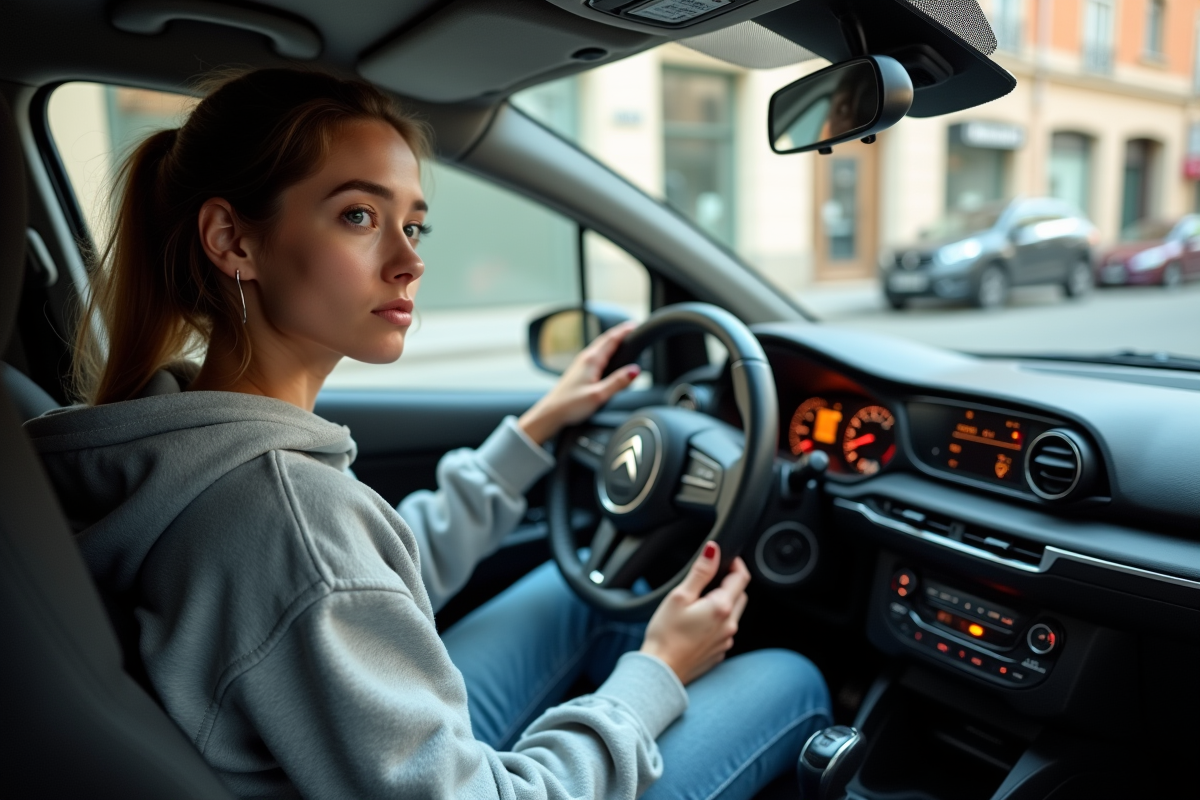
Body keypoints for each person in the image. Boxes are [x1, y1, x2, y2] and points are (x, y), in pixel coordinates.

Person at [26, 68, 831, 799]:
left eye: (415, 226)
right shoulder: (288, 514)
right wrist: (655, 675)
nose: (408, 262)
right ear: (234, 241)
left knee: (573, 593)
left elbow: (361, 583)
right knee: (788, 677)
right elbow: (329, 577)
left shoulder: (180, 444)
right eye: (358, 215)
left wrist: (534, 433)